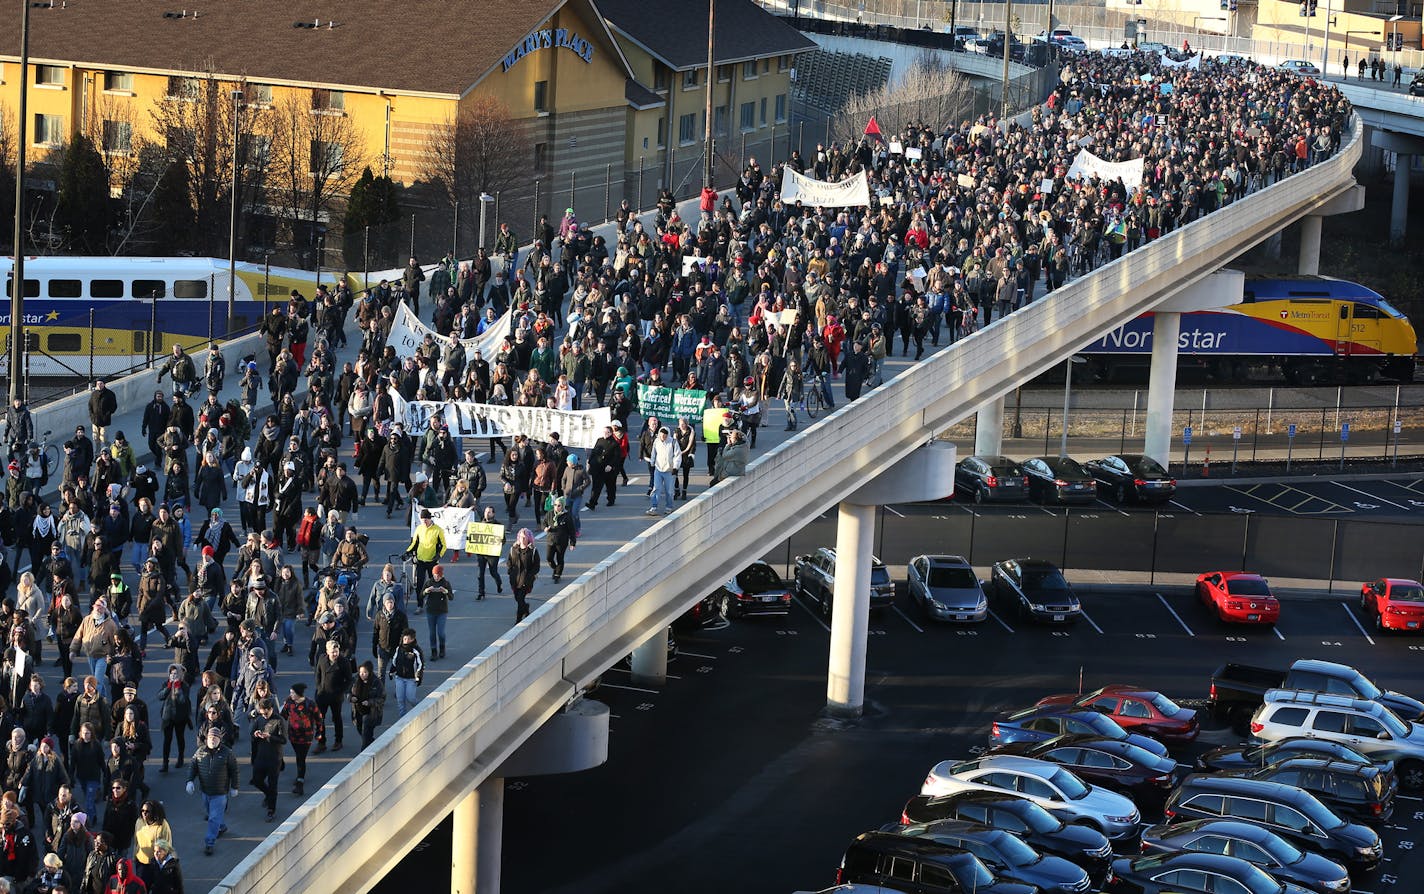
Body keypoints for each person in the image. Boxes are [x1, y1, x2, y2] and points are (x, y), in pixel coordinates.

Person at [186, 725, 239, 856]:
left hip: (220, 793)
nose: (212, 740)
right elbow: (193, 766)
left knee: (213, 818)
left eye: (215, 737)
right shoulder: (200, 752)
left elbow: (234, 771)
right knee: (212, 814)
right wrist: (190, 781)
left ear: (220, 739)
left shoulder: (227, 753)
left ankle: (209, 843)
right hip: (205, 791)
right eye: (210, 737)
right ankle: (221, 826)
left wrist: (234, 787)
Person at [249, 697, 286, 822]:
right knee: (256, 780)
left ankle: (271, 809)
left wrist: (270, 736)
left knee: (273, 784)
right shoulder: (259, 720)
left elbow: (283, 740)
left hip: (274, 757)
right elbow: (252, 733)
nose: (264, 716)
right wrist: (256, 734)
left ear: (270, 709)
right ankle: (268, 794)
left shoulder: (279, 720)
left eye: (266, 713)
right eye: (261, 713)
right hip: (261, 755)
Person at [280, 683, 320, 797]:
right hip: (293, 736)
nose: (290, 695)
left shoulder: (310, 704)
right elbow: (283, 716)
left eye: (292, 693)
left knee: (301, 757)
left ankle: (300, 782)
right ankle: (299, 776)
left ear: (298, 693)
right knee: (298, 756)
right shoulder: (289, 703)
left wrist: (319, 733)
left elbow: (319, 718)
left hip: (306, 736)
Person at [402, 509, 446, 612]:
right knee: (419, 584)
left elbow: (444, 545)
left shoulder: (438, 530)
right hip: (421, 561)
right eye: (422, 520)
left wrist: (439, 555)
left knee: (433, 584)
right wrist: (407, 552)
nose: (424, 522)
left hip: (432, 561)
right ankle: (420, 605)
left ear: (430, 519)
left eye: (426, 519)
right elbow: (414, 543)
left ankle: (434, 603)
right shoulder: (419, 529)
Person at [132, 799, 172, 887]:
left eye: (147, 811)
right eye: (142, 810)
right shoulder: (139, 821)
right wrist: (134, 856)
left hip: (156, 864)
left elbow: (167, 846)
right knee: (142, 887)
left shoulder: (162, 826)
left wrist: (164, 864)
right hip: (141, 862)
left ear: (154, 812)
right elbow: (136, 840)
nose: (144, 813)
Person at [348, 661, 385, 750]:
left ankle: (363, 753)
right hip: (358, 710)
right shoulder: (356, 679)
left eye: (365, 672)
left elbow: (382, 698)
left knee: (366, 732)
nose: (362, 675)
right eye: (361, 672)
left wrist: (370, 702)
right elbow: (348, 691)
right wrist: (350, 698)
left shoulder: (376, 682)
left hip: (371, 712)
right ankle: (374, 744)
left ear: (369, 672)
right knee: (362, 731)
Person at [388, 629, 424, 718]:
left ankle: (421, 709)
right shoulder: (399, 648)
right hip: (399, 677)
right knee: (400, 699)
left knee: (411, 698)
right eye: (404, 639)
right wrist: (391, 671)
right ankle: (402, 718)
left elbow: (420, 664)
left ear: (412, 639)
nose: (405, 641)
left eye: (407, 639)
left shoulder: (416, 650)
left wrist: (419, 676)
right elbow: (395, 661)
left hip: (411, 679)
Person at [507, 529, 539, 623]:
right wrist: (510, 571)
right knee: (517, 598)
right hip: (515, 579)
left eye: (524, 537)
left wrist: (529, 576)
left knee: (520, 599)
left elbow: (536, 566)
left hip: (526, 580)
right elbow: (509, 561)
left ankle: (518, 619)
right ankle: (526, 608)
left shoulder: (533, 551)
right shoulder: (513, 549)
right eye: (521, 537)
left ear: (529, 538)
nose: (522, 539)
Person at [421, 564, 452, 659]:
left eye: (438, 575)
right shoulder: (429, 582)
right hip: (430, 610)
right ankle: (433, 651)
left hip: (442, 611)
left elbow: (451, 597)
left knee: (441, 632)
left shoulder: (446, 583)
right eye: (434, 575)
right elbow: (421, 595)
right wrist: (426, 591)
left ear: (441, 575)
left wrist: (445, 591)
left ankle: (442, 648)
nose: (436, 577)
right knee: (432, 633)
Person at [473, 507, 504, 601]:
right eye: (486, 511)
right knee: (480, 574)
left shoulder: (498, 525)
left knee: (493, 572)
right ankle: (481, 592)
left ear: (493, 514)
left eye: (489, 512)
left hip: (492, 554)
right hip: (481, 553)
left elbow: (504, 539)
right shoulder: (480, 525)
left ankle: (499, 583)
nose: (487, 514)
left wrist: (500, 541)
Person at [647, 426, 678, 516]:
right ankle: (654, 507)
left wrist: (675, 467)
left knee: (669, 490)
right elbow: (654, 453)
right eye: (661, 435)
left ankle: (669, 507)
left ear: (668, 435)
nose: (663, 437)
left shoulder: (673, 442)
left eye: (665, 435)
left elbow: (677, 455)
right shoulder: (657, 441)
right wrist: (652, 462)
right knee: (656, 488)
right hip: (658, 469)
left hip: (669, 470)